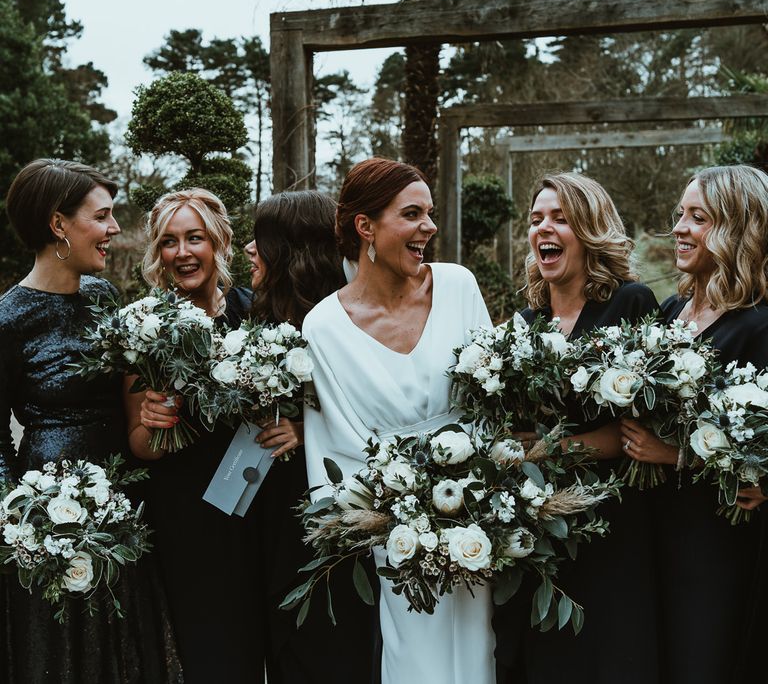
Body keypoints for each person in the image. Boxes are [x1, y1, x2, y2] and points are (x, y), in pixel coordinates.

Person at [303, 157, 495, 684]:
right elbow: (334, 448)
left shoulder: (458, 286)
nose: (429, 228)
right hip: (397, 525)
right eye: (412, 214)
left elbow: (493, 398)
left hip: (481, 505)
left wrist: (493, 487)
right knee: (415, 652)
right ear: (365, 226)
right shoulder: (323, 327)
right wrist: (387, 514)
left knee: (482, 646)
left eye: (429, 214)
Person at [0, 158, 182, 683]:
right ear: (59, 225)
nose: (114, 228)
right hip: (47, 526)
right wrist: (24, 525)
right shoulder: (9, 319)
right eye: (102, 216)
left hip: (124, 505)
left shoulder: (107, 299)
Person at [494, 172, 660, 684]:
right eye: (537, 219)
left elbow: (636, 436)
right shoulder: (522, 325)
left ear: (588, 230)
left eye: (560, 218)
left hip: (609, 523)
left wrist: (552, 448)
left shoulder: (629, 305)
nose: (545, 228)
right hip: (537, 528)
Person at [619, 165, 768, 683]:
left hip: (711, 545)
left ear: (736, 228)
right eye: (679, 214)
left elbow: (759, 452)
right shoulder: (668, 312)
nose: (679, 227)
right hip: (648, 530)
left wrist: (674, 454)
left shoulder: (757, 324)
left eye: (698, 217)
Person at [125, 188, 255, 684]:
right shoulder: (144, 325)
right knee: (210, 647)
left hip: (255, 500)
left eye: (194, 238)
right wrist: (154, 425)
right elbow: (136, 442)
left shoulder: (255, 312)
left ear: (219, 241)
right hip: (186, 509)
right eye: (169, 242)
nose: (182, 253)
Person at [243, 190, 349, 683]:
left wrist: (310, 431)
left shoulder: (343, 321)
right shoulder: (258, 315)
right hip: (264, 503)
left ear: (290, 248)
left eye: (259, 239)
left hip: (324, 505)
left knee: (321, 643)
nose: (248, 248)